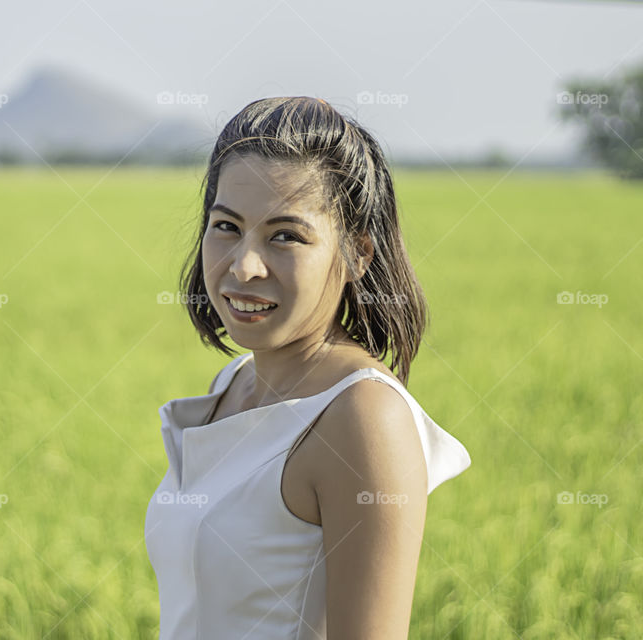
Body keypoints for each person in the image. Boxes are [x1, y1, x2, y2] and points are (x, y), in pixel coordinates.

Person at [144, 96, 472, 639]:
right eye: (226, 226)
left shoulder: (364, 419)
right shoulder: (234, 383)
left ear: (358, 254)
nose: (244, 266)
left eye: (286, 236)